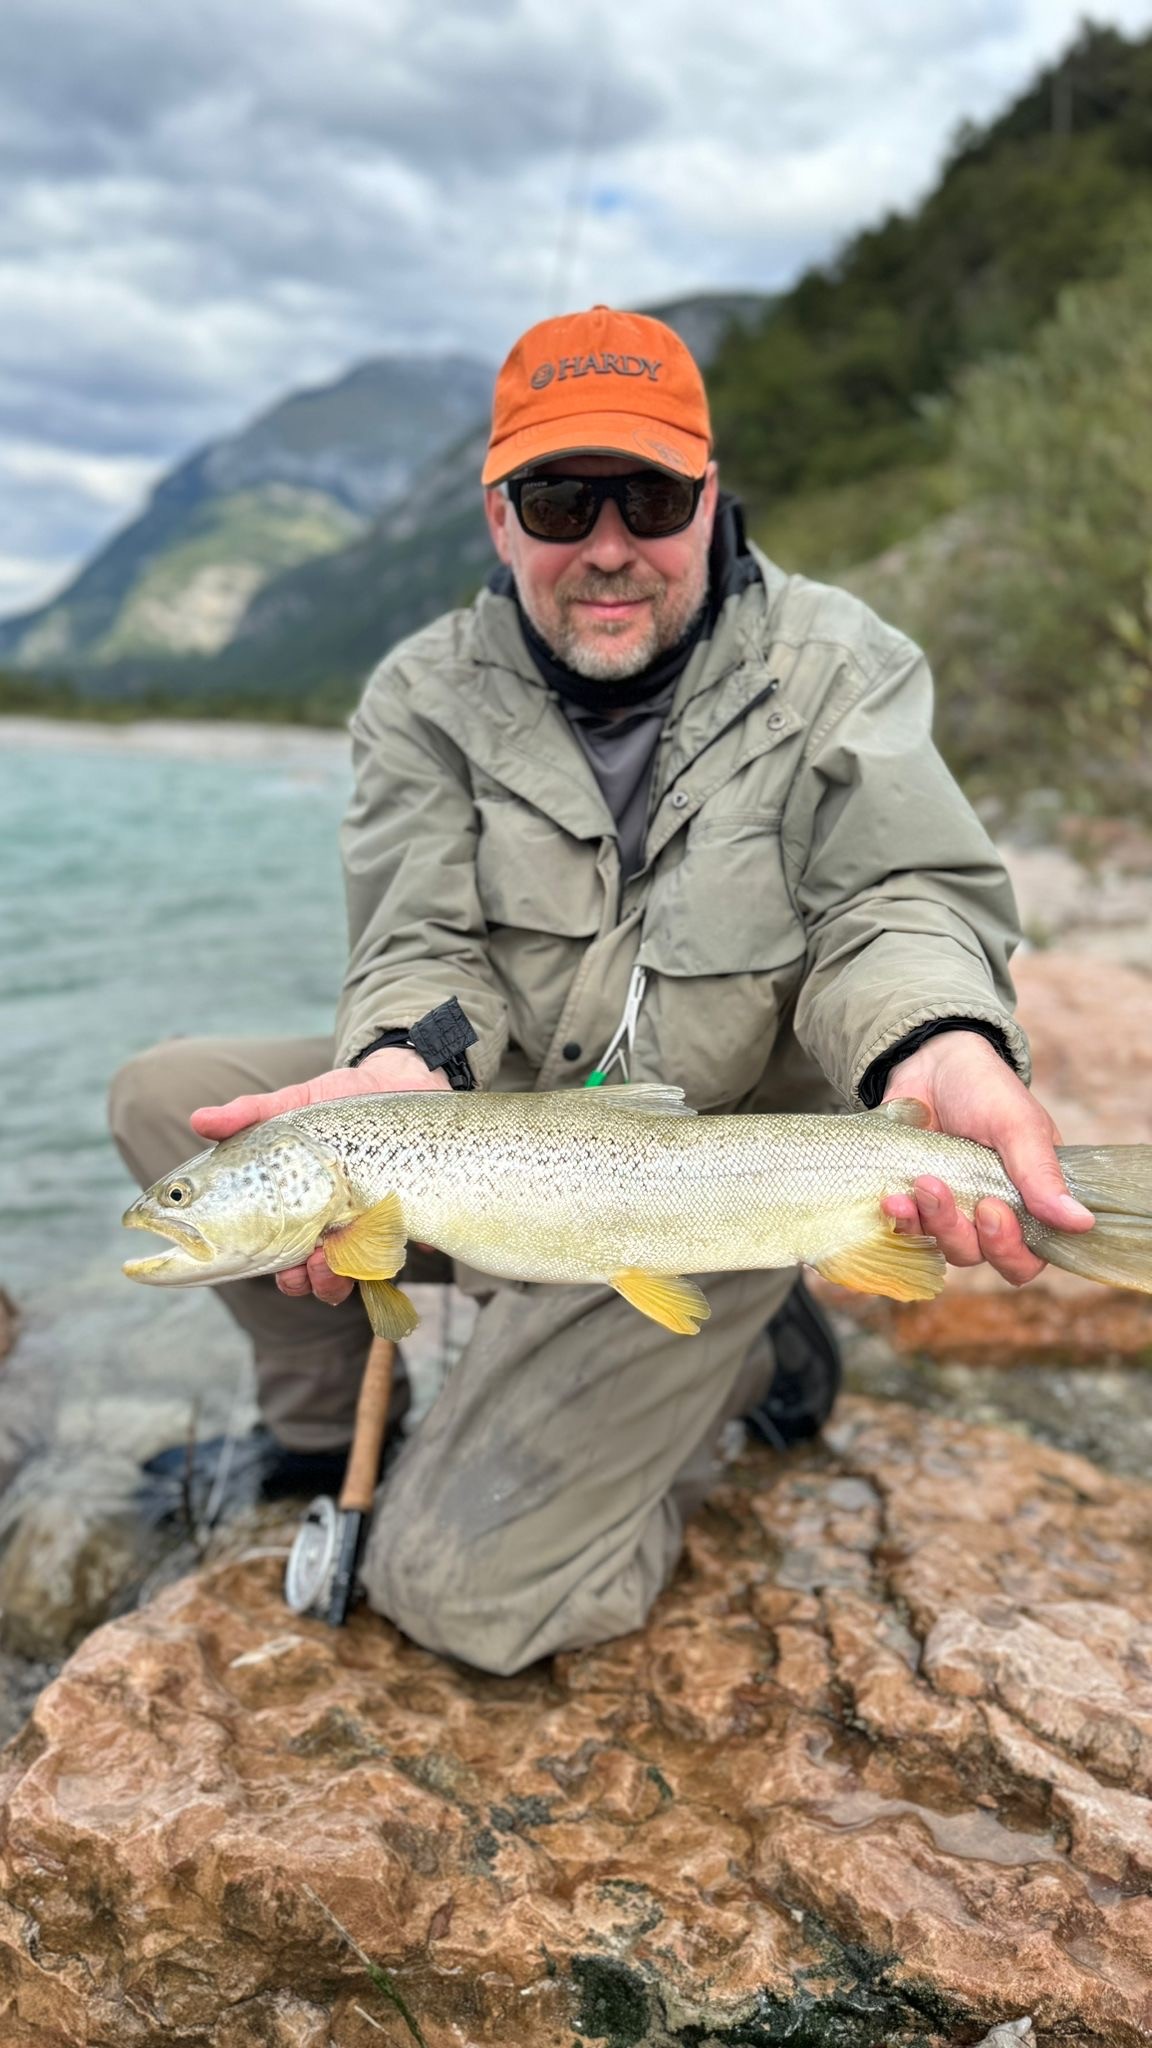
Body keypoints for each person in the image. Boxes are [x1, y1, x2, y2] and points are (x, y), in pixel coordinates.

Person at [110, 305, 1093, 1676]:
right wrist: (404, 1061)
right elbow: (421, 944)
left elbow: (897, 899)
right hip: (517, 1135)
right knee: (170, 1106)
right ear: (500, 519)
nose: (611, 544)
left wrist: (936, 1041)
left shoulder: (838, 668)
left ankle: (736, 1357)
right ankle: (324, 1439)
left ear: (709, 494)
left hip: (716, 1179)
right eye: (563, 500)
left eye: (651, 495)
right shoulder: (422, 697)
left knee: (463, 1597)